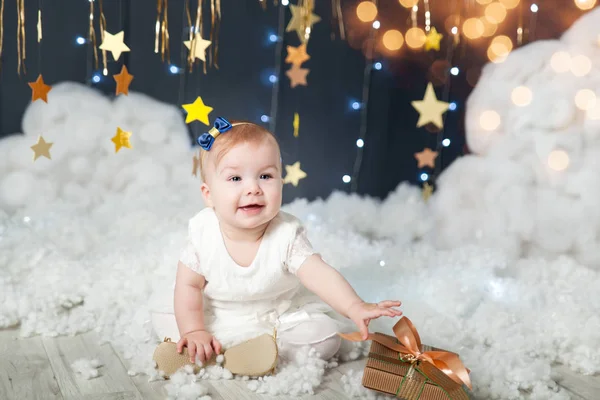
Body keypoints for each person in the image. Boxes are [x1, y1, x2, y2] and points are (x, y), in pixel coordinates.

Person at [150, 117, 403, 365]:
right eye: (235, 179)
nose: (253, 189)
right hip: (218, 314)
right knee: (165, 316)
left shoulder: (286, 234)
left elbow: (319, 274)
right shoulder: (203, 233)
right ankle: (201, 344)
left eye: (265, 176)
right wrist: (193, 329)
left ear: (281, 182)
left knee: (324, 338)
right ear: (209, 195)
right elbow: (189, 287)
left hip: (278, 317)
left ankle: (253, 353)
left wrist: (354, 306)